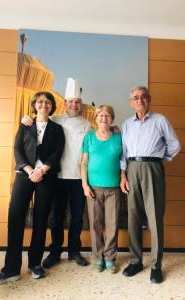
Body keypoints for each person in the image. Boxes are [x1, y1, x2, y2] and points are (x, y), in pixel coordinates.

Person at [0, 92, 65, 286]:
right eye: (40, 102)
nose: (43, 105)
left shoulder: (57, 128)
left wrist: (42, 170)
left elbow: (57, 152)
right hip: (24, 175)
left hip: (46, 176)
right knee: (15, 218)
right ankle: (11, 268)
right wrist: (30, 169)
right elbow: (17, 149)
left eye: (48, 102)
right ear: (34, 105)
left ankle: (35, 264)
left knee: (40, 220)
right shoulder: (25, 124)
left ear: (52, 106)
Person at [22, 78, 91, 267]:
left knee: (77, 217)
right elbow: (37, 122)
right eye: (70, 102)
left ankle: (75, 252)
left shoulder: (87, 125)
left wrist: (114, 129)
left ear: (80, 104)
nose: (74, 105)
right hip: (57, 177)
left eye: (77, 102)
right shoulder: (54, 120)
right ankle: (54, 252)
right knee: (56, 217)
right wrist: (25, 119)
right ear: (65, 103)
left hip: (78, 178)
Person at [120, 86, 181, 284]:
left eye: (143, 97)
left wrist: (158, 159)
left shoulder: (160, 120)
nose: (140, 100)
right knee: (134, 218)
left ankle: (156, 266)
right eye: (136, 98)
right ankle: (136, 261)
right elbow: (123, 152)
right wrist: (123, 175)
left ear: (149, 99)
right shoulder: (127, 124)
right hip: (132, 168)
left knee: (154, 218)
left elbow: (175, 145)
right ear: (131, 102)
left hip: (153, 168)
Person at [80, 105, 122, 273]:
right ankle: (98, 257)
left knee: (112, 224)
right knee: (95, 223)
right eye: (100, 115)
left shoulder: (119, 136)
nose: (104, 118)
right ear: (95, 118)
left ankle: (110, 257)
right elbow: (83, 163)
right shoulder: (89, 137)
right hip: (93, 188)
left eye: (107, 115)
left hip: (114, 188)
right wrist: (84, 185)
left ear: (112, 118)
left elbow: (124, 161)